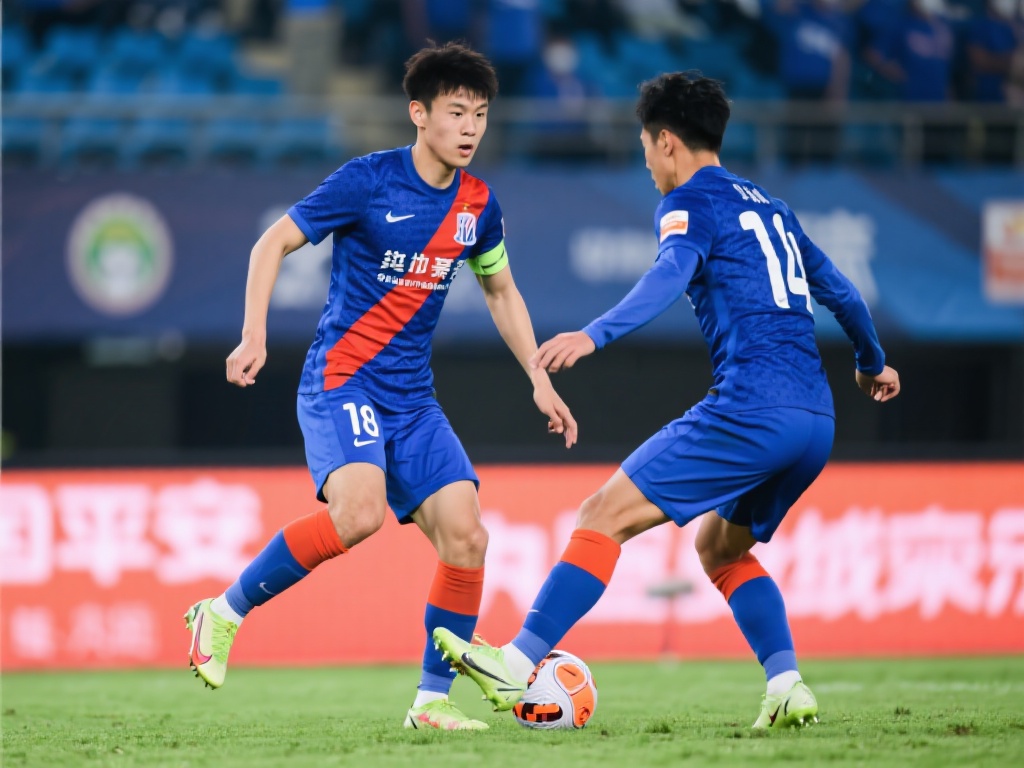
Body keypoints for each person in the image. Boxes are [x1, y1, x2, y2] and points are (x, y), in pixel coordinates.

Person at [434, 71, 900, 729]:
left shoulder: (688, 202)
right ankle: (786, 684)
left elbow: (668, 275)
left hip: (752, 408)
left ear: (667, 142)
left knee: (601, 514)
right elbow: (845, 294)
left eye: (646, 148)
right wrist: (871, 364)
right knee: (721, 549)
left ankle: (515, 662)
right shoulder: (772, 208)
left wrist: (594, 335)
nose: (648, 164)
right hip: (815, 421)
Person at [185, 41, 577, 731]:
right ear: (418, 113)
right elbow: (271, 242)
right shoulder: (367, 181)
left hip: (413, 399)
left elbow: (501, 291)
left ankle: (430, 704)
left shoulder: (479, 204)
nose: (470, 129)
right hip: (343, 381)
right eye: (456, 113)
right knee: (359, 514)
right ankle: (221, 611)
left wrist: (538, 379)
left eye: (480, 115)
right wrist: (253, 334)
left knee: (468, 538)